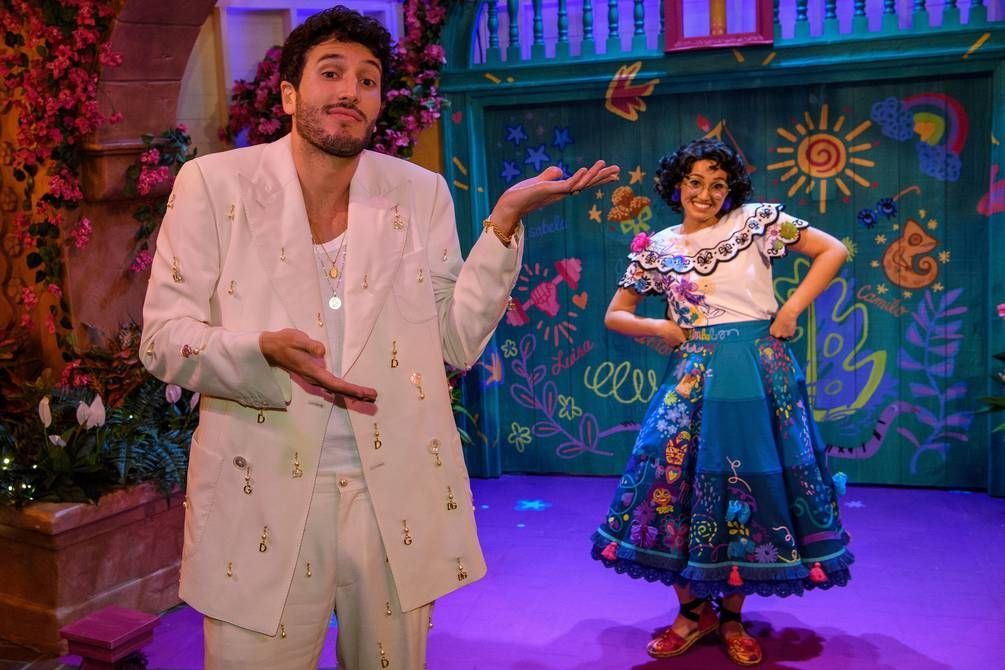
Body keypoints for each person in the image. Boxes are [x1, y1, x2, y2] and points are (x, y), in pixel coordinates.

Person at [140, 6, 618, 669]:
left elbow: (454, 341)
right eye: (331, 72)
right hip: (261, 489)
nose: (350, 91)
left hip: (393, 495)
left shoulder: (418, 192)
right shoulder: (214, 185)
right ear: (289, 94)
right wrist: (259, 350)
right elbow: (164, 338)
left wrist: (503, 223)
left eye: (367, 80)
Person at [590, 138, 852, 666]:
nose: (705, 193)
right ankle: (692, 613)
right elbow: (615, 314)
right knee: (674, 483)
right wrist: (659, 327)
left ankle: (732, 615)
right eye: (695, 182)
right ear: (677, 186)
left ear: (731, 190)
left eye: (718, 184)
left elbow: (833, 250)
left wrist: (790, 310)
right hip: (692, 376)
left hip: (757, 370)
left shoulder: (755, 222)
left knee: (748, 486)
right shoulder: (658, 246)